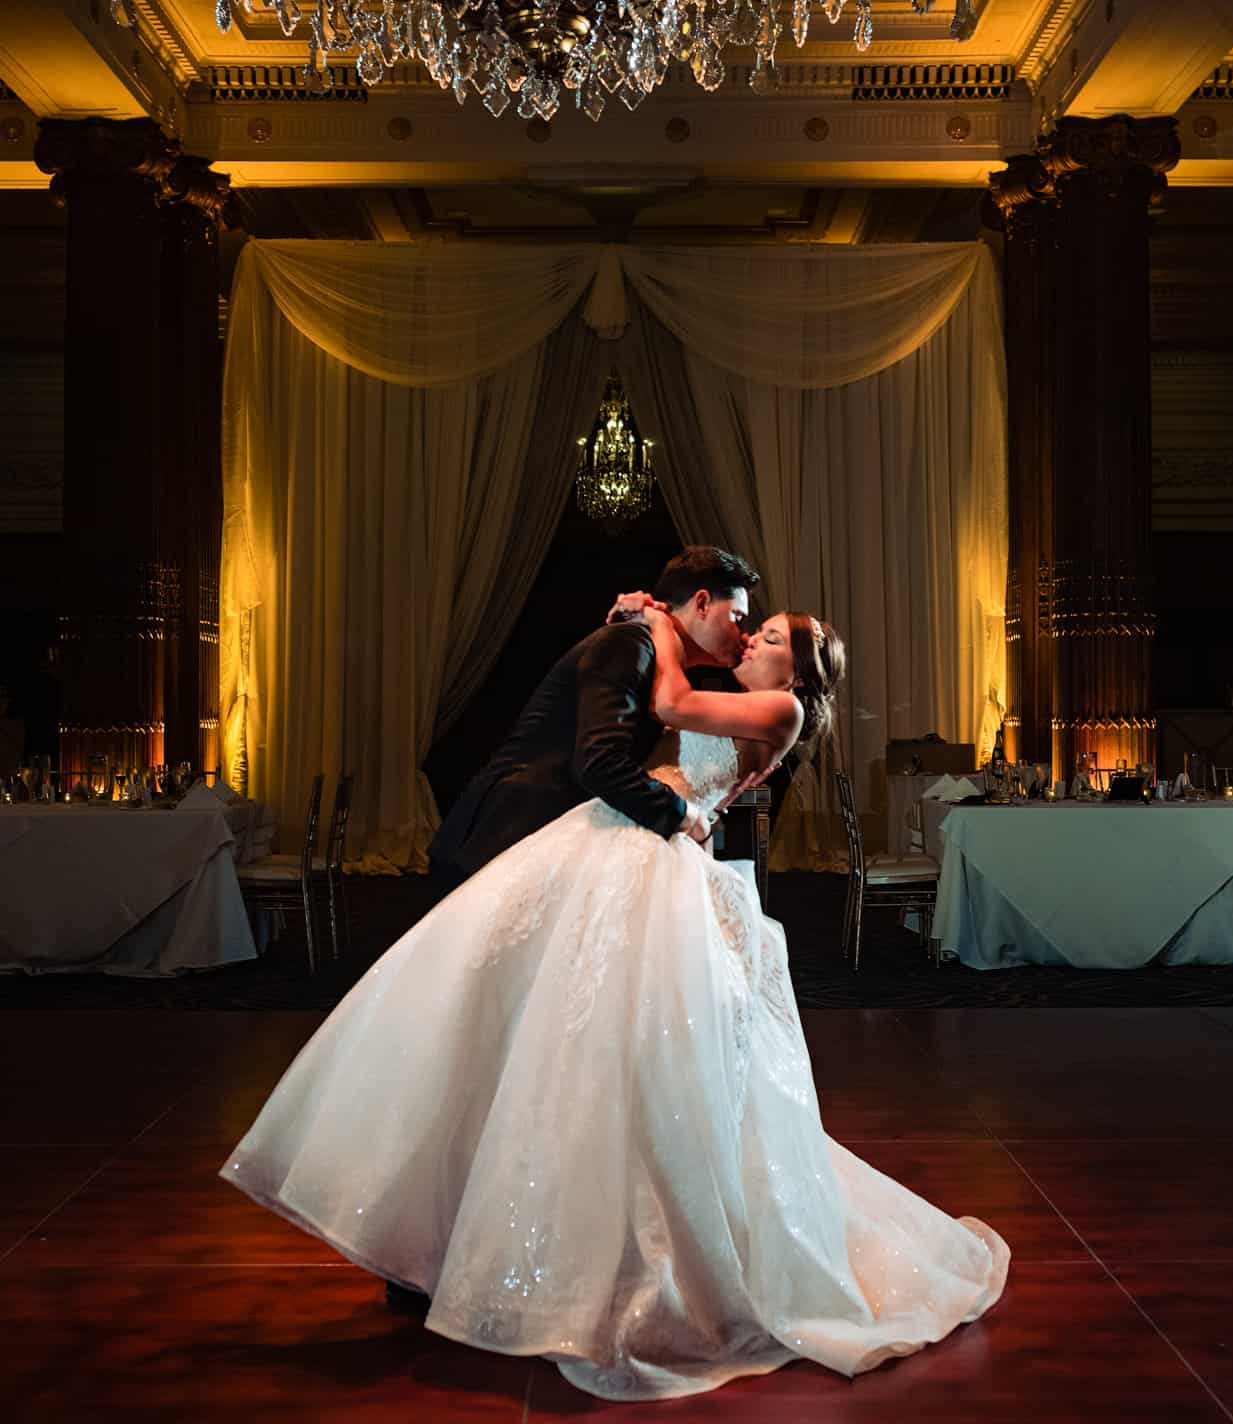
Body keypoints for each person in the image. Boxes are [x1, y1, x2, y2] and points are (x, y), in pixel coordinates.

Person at [222, 591, 1008, 1402]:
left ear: (798, 668)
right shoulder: (746, 698)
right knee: (551, 1031)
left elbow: (668, 702)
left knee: (624, 1050)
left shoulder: (781, 708)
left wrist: (655, 626)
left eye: (770, 635)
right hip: (620, 843)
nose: (753, 638)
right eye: (754, 624)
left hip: (651, 859)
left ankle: (619, 1253)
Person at [427, 545, 761, 891]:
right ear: (703, 603)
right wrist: (685, 816)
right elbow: (599, 761)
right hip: (512, 831)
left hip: (563, 845)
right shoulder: (630, 641)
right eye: (737, 617)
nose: (743, 634)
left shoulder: (663, 667)